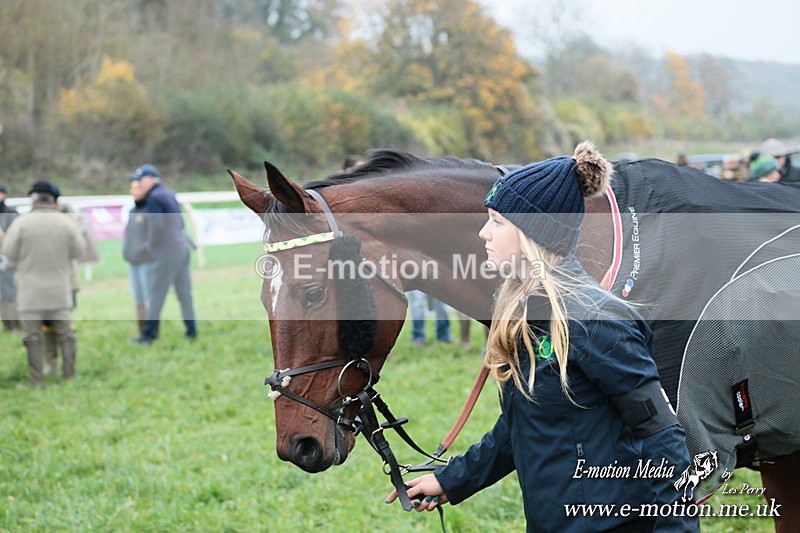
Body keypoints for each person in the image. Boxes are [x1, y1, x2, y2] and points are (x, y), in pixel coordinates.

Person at [387, 142, 698, 532]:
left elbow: (662, 435)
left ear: (535, 233)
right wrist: (451, 480)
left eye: (498, 222)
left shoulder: (596, 321)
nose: (483, 233)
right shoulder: (525, 312)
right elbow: (522, 423)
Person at [1, 181, 85, 388]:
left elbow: (9, 252)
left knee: (32, 336)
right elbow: (79, 251)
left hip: (30, 292)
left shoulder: (21, 223)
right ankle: (69, 377)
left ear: (33, 199)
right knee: (66, 334)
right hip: (59, 291)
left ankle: (37, 381)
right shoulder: (66, 223)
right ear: (53, 200)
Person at [127, 164, 197, 345]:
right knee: (185, 295)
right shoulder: (168, 193)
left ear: (150, 179)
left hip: (167, 253)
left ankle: (147, 336)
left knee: (156, 297)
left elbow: (156, 227)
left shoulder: (153, 198)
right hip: (182, 249)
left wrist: (149, 249)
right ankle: (192, 332)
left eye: (140, 180)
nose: (138, 184)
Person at [123, 178, 152, 338]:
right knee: (138, 298)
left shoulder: (150, 210)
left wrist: (144, 252)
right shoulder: (133, 211)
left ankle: (151, 332)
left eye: (136, 188)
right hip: (133, 261)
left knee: (148, 298)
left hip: (146, 261)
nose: (132, 191)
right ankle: (143, 333)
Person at [0, 184, 21, 331]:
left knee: (11, 295)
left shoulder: (12, 214)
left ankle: (16, 326)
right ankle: (7, 326)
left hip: (9, 262)